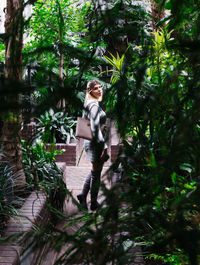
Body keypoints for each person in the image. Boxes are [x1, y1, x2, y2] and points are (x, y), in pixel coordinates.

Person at [77, 80, 109, 211]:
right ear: (90, 91)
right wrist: (105, 147)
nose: (100, 90)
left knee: (95, 171)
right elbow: (95, 129)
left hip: (91, 142)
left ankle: (83, 195)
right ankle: (93, 203)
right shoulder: (94, 105)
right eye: (96, 88)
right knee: (96, 174)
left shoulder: (89, 102)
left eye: (100, 87)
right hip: (96, 143)